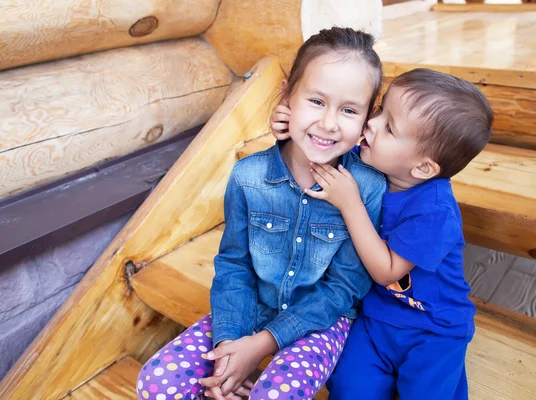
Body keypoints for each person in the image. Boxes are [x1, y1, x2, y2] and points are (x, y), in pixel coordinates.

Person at [136, 27, 387, 400]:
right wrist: (230, 347)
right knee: (157, 383)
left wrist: (263, 344)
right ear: (286, 95)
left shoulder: (366, 187)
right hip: (250, 308)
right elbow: (234, 264)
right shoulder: (248, 176)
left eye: (349, 110)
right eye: (316, 101)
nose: (330, 123)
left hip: (320, 322)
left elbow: (344, 288)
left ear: (368, 117)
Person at [271, 68, 494, 399]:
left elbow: (387, 270)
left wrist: (350, 204)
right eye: (379, 111)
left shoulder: (435, 211)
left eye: (389, 127)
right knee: (349, 387)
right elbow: (314, 153)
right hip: (375, 319)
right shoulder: (366, 165)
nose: (372, 124)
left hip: (433, 329)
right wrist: (288, 131)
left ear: (422, 168)